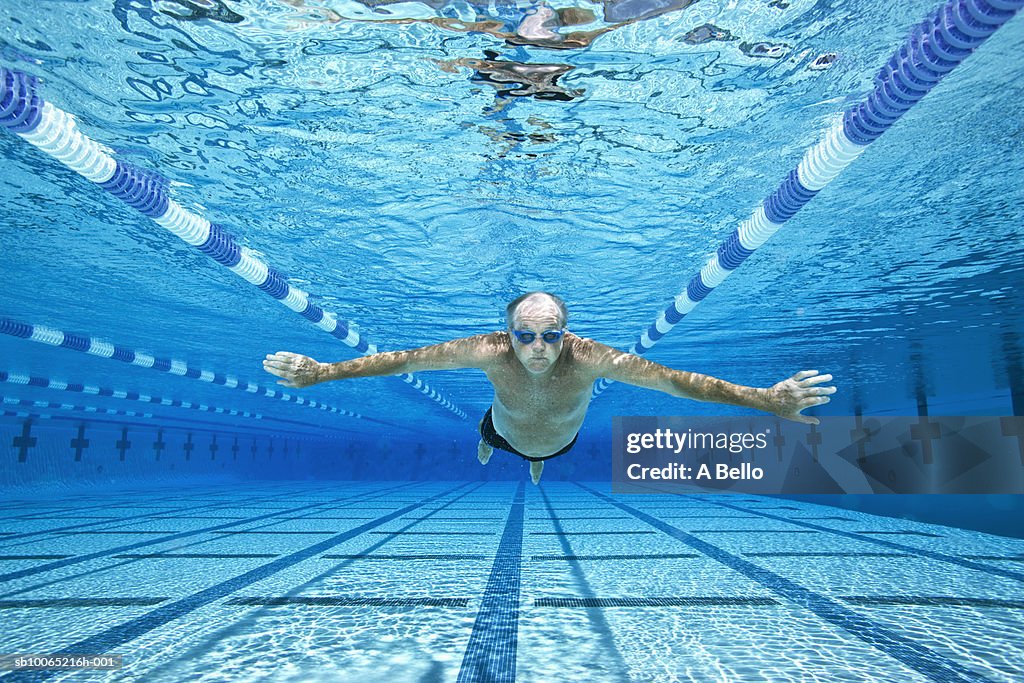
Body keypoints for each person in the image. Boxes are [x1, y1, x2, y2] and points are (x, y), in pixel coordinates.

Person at [263, 292, 835, 485]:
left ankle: (534, 464)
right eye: (526, 336)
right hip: (501, 427)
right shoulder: (485, 350)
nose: (538, 347)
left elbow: (674, 383)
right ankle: (489, 447)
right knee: (490, 440)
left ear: (568, 333)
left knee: (541, 461)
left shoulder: (589, 358)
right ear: (508, 333)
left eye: (551, 335)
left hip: (556, 441)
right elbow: (401, 361)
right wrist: (323, 373)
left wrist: (764, 400)